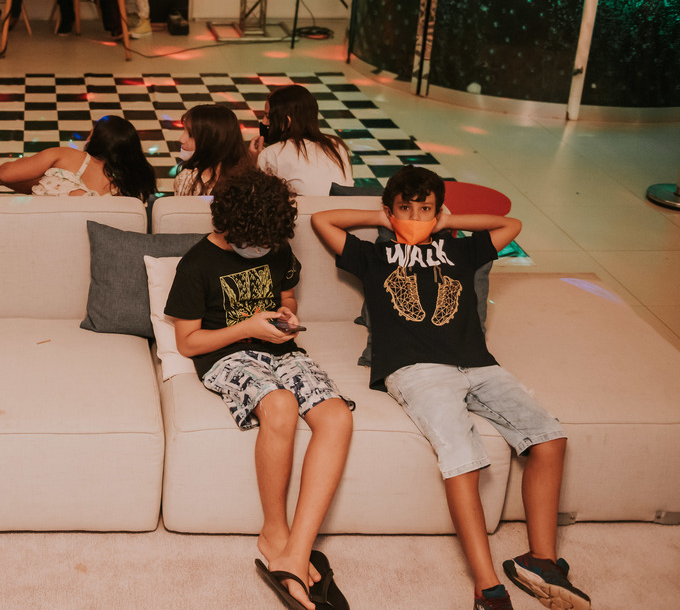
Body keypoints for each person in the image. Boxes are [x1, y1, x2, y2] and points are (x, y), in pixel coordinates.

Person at [311, 166, 588, 610]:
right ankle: (486, 586)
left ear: (438, 212)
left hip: (480, 365)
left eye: (425, 209)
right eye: (405, 208)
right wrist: (383, 220)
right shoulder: (375, 255)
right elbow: (322, 220)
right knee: (463, 457)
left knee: (550, 438)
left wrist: (448, 223)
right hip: (415, 369)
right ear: (390, 210)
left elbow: (510, 225)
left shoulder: (457, 249)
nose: (415, 216)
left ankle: (541, 560)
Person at [165, 169, 353, 610]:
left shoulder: (277, 247)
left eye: (268, 243)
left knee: (337, 416)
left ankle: (296, 551)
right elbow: (188, 342)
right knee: (280, 405)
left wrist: (287, 317)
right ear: (228, 226)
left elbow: (287, 297)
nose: (261, 249)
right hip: (225, 354)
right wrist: (247, 327)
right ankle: (274, 532)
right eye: (253, 243)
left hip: (282, 349)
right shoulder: (196, 265)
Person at [0, 114, 156, 202]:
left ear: (94, 140)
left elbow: (9, 173)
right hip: (77, 234)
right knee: (52, 181)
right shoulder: (129, 189)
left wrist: (0, 172)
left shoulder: (69, 155)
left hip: (39, 222)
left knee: (48, 178)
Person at [252, 84, 353, 195]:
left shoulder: (271, 154)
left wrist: (255, 161)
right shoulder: (337, 146)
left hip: (304, 207)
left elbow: (259, 198)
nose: (264, 122)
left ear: (287, 121)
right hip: (344, 206)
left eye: (268, 117)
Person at [172, 104, 254, 197]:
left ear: (212, 141)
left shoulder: (187, 180)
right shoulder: (248, 180)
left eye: (191, 134)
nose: (181, 139)